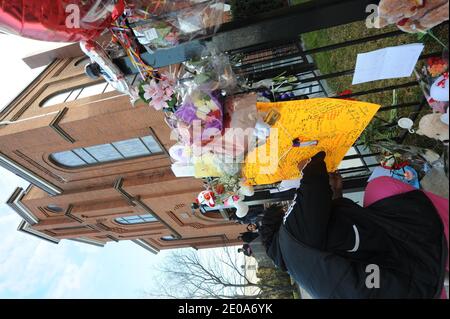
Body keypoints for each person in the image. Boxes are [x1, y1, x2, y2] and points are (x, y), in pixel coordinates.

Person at [260, 151, 448, 299]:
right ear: (280, 219)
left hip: (399, 282)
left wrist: (335, 194)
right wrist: (307, 165)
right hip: (408, 267)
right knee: (380, 187)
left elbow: (336, 244)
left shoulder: (297, 260)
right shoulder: (290, 234)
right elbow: (313, 184)